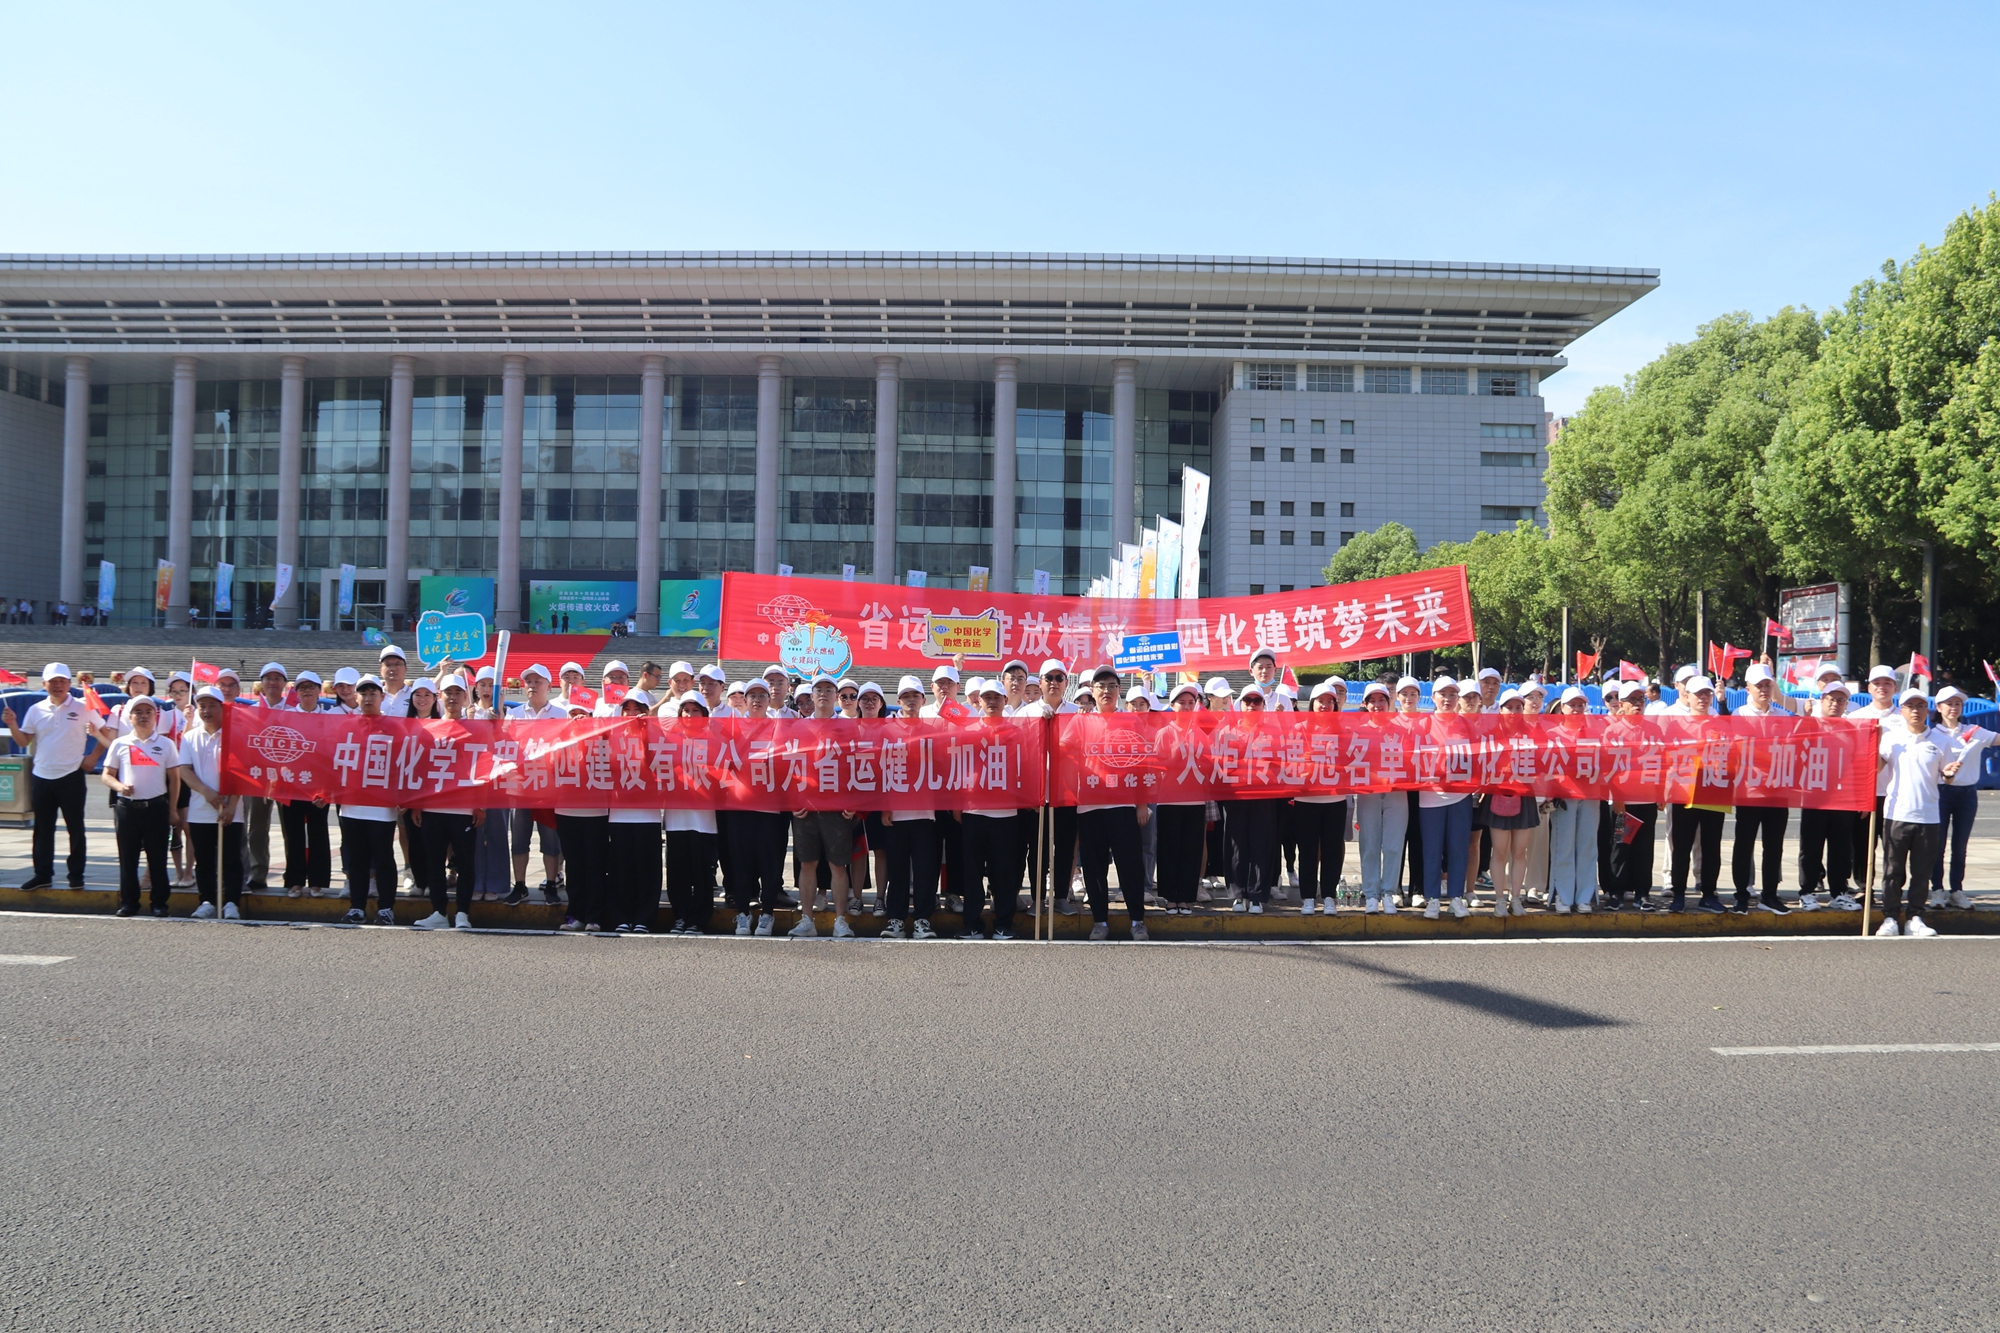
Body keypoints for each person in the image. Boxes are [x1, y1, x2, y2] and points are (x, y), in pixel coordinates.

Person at [5, 663, 115, 890]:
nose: (58, 685)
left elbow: (105, 735)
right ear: (44, 684)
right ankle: (42, 874)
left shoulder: (84, 707)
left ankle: (76, 874)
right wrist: (12, 724)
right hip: (42, 775)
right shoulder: (36, 710)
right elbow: (24, 740)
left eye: (62, 681)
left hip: (71, 775)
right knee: (42, 829)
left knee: (75, 827)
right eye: (53, 681)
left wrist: (93, 757)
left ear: (69, 683)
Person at [1077, 665, 1152, 941]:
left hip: (1123, 805)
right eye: (1100, 686)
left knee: (1130, 865)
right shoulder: (1081, 721)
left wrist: (1141, 804)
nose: (1106, 691)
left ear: (1119, 690)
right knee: (1094, 867)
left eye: (1111, 686)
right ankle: (1099, 921)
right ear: (1092, 691)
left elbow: (1143, 765)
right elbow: (1063, 751)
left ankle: (1137, 921)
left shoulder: (1131, 722)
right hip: (1090, 806)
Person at [1875, 689, 1957, 938]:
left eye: (1920, 705)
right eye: (1910, 706)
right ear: (1902, 710)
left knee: (1922, 872)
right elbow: (1875, 768)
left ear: (1927, 710)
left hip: (1928, 816)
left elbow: (1947, 776)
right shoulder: (1892, 739)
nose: (1915, 710)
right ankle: (1890, 917)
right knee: (1893, 871)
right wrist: (1872, 745)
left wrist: (1949, 774)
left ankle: (1915, 918)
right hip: (1896, 814)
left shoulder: (1941, 740)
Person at [788, 673, 860, 938]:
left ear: (836, 695)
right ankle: (807, 919)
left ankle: (840, 920)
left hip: (837, 807)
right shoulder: (798, 727)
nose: (823, 694)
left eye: (829, 690)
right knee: (807, 863)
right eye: (819, 689)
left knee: (838, 865)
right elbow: (789, 767)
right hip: (806, 806)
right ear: (812, 694)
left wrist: (854, 801)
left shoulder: (849, 727)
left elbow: (858, 765)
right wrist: (791, 801)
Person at [410, 674, 483, 930]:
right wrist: (417, 803)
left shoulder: (476, 730)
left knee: (465, 863)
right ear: (439, 696)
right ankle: (438, 912)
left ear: (465, 696)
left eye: (457, 693)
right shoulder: (428, 728)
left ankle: (463, 912)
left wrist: (480, 804)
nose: (452, 697)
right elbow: (420, 768)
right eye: (448, 693)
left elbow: (483, 768)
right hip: (433, 807)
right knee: (434, 862)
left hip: (464, 808)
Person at [101, 696, 181, 917]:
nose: (143, 716)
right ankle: (129, 902)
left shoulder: (166, 744)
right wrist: (119, 786)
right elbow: (107, 775)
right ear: (130, 717)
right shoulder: (120, 743)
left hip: (156, 808)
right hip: (127, 809)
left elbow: (174, 779)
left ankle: (159, 903)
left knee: (157, 859)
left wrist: (173, 810)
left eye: (148, 712)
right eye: (138, 712)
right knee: (128, 859)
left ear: (156, 716)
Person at [958, 678, 1022, 940]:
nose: (992, 702)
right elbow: (959, 769)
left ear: (1005, 701)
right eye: (987, 698)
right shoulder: (969, 731)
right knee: (972, 873)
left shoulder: (1016, 732)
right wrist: (958, 803)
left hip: (1006, 813)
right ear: (979, 701)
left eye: (997, 697)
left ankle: (1003, 924)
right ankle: (972, 924)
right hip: (974, 811)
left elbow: (1025, 767)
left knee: (1003, 872)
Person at [880, 676, 943, 939]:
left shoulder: (933, 730)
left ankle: (922, 920)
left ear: (923, 700)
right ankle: (895, 919)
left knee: (926, 869)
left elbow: (943, 767)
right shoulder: (887, 730)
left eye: (915, 695)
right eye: (906, 696)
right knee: (897, 870)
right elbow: (881, 770)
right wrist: (885, 806)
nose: (910, 700)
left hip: (926, 813)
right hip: (896, 813)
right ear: (898, 700)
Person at [727, 678, 788, 937]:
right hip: (740, 805)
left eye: (762, 695)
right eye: (752, 695)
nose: (757, 700)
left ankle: (767, 914)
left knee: (770, 863)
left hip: (771, 809)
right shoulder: (733, 728)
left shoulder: (780, 727)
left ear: (769, 699)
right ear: (744, 699)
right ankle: (743, 913)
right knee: (741, 862)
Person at [179, 686, 245, 919]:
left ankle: (232, 902)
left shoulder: (235, 735)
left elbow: (242, 772)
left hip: (231, 810)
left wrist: (232, 805)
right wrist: (205, 791)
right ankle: (206, 900)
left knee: (231, 858)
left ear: (222, 708)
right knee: (204, 859)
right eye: (202, 706)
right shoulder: (190, 737)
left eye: (212, 706)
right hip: (200, 809)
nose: (206, 711)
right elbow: (184, 770)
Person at [338, 676, 400, 923]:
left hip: (382, 807)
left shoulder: (395, 727)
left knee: (384, 857)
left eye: (373, 693)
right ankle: (357, 907)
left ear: (382, 697)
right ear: (356, 697)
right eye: (363, 693)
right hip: (351, 806)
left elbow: (403, 763)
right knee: (357, 859)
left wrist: (403, 796)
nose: (368, 698)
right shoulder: (346, 726)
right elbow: (333, 762)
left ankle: (386, 908)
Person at [1666, 676, 1729, 914]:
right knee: (1681, 846)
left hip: (1713, 790)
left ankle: (1709, 894)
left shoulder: (1721, 724)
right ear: (1687, 696)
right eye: (1698, 694)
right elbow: (1666, 759)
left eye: (1707, 693)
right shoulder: (1676, 726)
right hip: (1684, 792)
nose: (1703, 698)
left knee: (1711, 846)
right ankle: (1678, 895)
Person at [506, 664, 568, 906]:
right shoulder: (514, 715)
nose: (532, 686)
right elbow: (505, 746)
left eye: (537, 682)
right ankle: (520, 885)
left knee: (550, 838)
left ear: (549, 686)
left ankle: (551, 883)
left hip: (547, 787)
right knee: (519, 838)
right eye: (529, 682)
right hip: (520, 786)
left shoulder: (561, 714)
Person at [1795, 675, 1857, 912]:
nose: (1835, 704)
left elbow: (1858, 764)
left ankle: (1839, 892)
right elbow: (1794, 750)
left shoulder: (1852, 729)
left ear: (1846, 704)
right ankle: (1807, 892)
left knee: (1841, 847)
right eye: (1831, 699)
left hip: (1843, 797)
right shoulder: (1810, 725)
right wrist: (1804, 720)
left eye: (1841, 700)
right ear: (1822, 700)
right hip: (1815, 795)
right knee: (1811, 846)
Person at [605, 689, 665, 934]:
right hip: (619, 813)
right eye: (626, 710)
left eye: (636, 710)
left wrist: (646, 731)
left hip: (648, 814)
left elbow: (661, 764)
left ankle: (645, 917)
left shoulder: (655, 734)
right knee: (621, 868)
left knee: (647, 868)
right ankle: (621, 915)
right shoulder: (612, 735)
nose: (631, 714)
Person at [1929, 686, 1994, 909]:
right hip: (1940, 793)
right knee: (1937, 845)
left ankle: (1956, 890)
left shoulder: (1974, 731)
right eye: (1949, 704)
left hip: (1967, 793)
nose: (1953, 708)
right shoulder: (1932, 734)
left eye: (1957, 704)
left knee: (1960, 845)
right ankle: (1937, 889)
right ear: (1939, 708)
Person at [1415, 680, 1474, 921]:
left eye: (1452, 694)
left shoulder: (1466, 724)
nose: (1447, 699)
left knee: (1458, 848)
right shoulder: (1423, 724)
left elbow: (1477, 755)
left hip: (1460, 796)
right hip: (1431, 796)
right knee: (1432, 849)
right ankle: (1432, 898)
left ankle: (1456, 897)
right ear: (1433, 697)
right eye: (1443, 694)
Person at [273, 671, 334, 899]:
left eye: (311, 687)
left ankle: (318, 881)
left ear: (320, 691)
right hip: (290, 784)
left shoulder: (329, 719)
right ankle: (295, 880)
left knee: (319, 832)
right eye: (302, 687)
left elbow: (332, 753)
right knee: (293, 833)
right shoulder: (285, 717)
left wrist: (328, 788)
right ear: (296, 692)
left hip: (319, 785)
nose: (307, 691)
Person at [1482, 689, 1541, 916]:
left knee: (1519, 851)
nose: (1514, 712)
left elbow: (1541, 763)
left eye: (1518, 707)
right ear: (1501, 710)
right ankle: (1499, 899)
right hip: (1499, 795)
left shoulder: (1532, 735)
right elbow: (1483, 764)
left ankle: (1516, 898)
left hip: (1524, 796)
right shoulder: (1491, 735)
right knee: (1499, 851)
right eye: (1509, 707)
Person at [1152, 681, 1208, 915]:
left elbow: (1210, 762)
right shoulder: (1164, 733)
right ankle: (1170, 897)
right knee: (1169, 848)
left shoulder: (1200, 734)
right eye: (1182, 703)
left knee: (1190, 849)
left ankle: (1185, 897)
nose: (1186, 707)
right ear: (1172, 706)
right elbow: (1156, 765)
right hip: (1169, 800)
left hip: (1195, 800)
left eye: (1190, 703)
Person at [1544, 687, 1600, 914]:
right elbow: (1546, 767)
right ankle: (1563, 896)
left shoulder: (1594, 733)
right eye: (1572, 705)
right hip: (1564, 796)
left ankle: (1585, 896)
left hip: (1590, 795)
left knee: (1588, 846)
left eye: (1580, 705)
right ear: (1563, 708)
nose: (1576, 709)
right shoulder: (1552, 735)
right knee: (1563, 846)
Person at [1226, 682, 1280, 913]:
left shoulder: (1272, 733)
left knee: (1261, 844)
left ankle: (1257, 895)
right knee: (1236, 845)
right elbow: (1220, 764)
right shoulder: (1228, 733)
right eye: (1247, 701)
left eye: (1257, 701)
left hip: (1263, 796)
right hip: (1236, 796)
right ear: (1240, 704)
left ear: (1263, 705)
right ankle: (1238, 894)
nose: (1252, 705)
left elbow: (1280, 763)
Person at [1351, 681, 1405, 913]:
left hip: (1397, 793)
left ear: (1389, 702)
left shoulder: (1401, 730)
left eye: (1381, 700)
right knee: (1370, 844)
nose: (1377, 705)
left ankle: (1389, 892)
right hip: (1368, 794)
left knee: (1393, 845)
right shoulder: (1358, 731)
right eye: (1372, 701)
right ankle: (1372, 893)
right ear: (1365, 704)